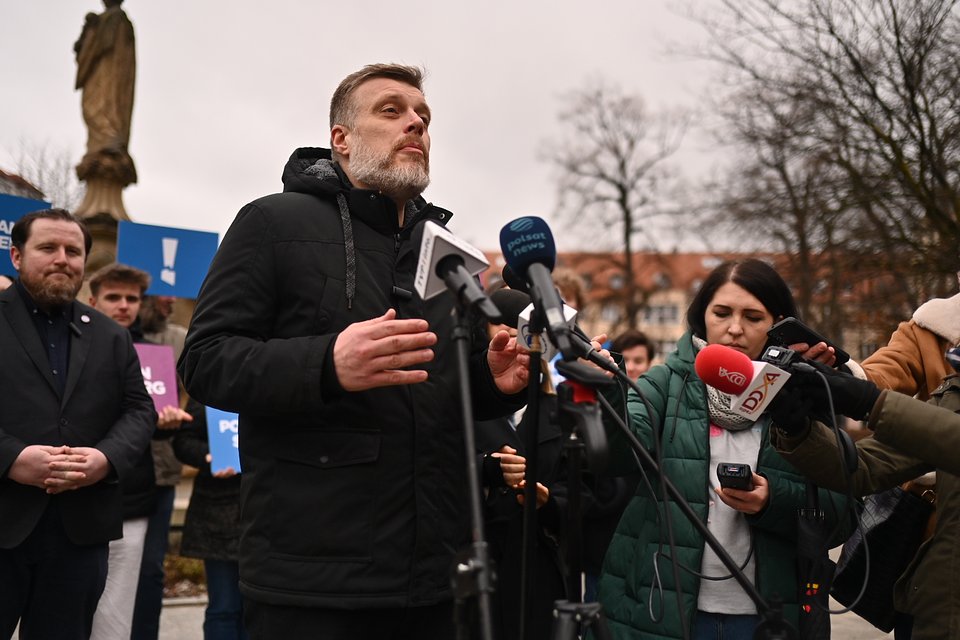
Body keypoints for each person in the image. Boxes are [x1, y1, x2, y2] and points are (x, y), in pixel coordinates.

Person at [177, 63, 530, 640]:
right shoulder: (270, 222)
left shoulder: (443, 254)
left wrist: (490, 382)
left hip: (433, 574)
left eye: (423, 116)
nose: (415, 122)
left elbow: (436, 393)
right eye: (390, 111)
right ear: (341, 139)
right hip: (314, 580)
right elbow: (207, 360)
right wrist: (326, 364)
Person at [596, 258, 853, 640]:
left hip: (767, 617)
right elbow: (615, 454)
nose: (735, 328)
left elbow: (840, 516)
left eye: (753, 316)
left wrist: (772, 503)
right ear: (702, 316)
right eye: (722, 313)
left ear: (778, 325)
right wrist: (607, 394)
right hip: (665, 613)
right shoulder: (664, 384)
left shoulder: (806, 395)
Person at [0, 209, 156, 639]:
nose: (62, 259)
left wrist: (105, 458)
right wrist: (12, 457)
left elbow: (139, 410)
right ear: (15, 255)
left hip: (79, 532)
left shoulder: (112, 336)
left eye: (73, 251)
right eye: (47, 248)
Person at [769, 358, 960, 640]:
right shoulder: (955, 388)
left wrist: (870, 402)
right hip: (937, 614)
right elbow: (866, 466)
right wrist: (798, 429)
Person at [132, 293, 190, 640]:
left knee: (150, 569)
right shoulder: (107, 337)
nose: (171, 299)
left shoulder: (178, 339)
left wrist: (178, 406)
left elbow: (196, 395)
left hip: (161, 467)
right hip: (113, 470)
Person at [172, 400, 246, 640]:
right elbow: (183, 442)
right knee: (224, 607)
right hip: (217, 511)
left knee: (258, 609)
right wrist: (209, 457)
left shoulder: (276, 383)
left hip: (265, 509)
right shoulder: (210, 386)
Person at [74, 0, 137, 188]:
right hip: (99, 77)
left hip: (112, 80)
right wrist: (87, 34)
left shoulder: (118, 20)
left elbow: (103, 47)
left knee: (105, 108)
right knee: (92, 108)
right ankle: (105, 141)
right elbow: (84, 51)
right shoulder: (101, 21)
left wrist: (94, 32)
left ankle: (111, 140)